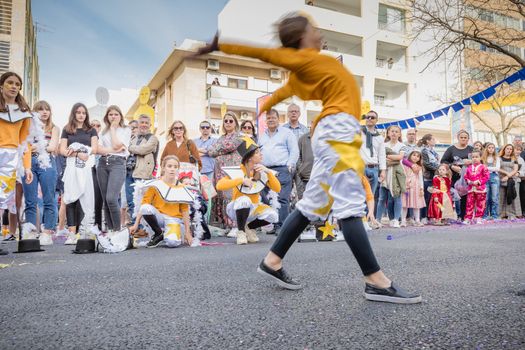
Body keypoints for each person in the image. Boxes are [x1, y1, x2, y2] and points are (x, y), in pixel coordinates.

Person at [195, 13, 421, 303]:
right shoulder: (306, 60)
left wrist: (268, 106)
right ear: (302, 38)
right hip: (337, 131)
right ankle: (375, 280)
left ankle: (272, 261)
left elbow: (285, 91)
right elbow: (264, 54)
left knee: (312, 204)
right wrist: (221, 46)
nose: (319, 32)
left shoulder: (312, 69)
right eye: (313, 29)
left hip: (335, 131)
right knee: (351, 202)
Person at [216, 136, 281, 244]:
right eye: (257, 152)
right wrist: (241, 180)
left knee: (273, 216)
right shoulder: (238, 170)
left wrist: (268, 172)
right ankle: (240, 232)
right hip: (237, 207)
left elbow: (277, 188)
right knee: (244, 199)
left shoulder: (261, 170)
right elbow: (219, 185)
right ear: (250, 158)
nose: (261, 154)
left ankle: (249, 227)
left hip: (255, 207)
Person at [0, 72, 38, 254]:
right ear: (1, 86)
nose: (14, 86)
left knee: (2, 200)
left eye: (17, 84)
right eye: (10, 83)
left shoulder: (24, 113)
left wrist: (27, 166)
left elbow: (25, 143)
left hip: (11, 158)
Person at [130, 155, 192, 248]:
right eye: (169, 166)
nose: (172, 169)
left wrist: (187, 232)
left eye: (175, 167)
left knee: (172, 243)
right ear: (163, 168)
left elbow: (185, 210)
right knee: (145, 208)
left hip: (173, 218)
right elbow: (144, 203)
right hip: (158, 216)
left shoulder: (181, 187)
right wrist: (136, 225)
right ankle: (158, 233)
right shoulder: (155, 184)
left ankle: (168, 234)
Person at [59, 103, 98, 244]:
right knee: (70, 199)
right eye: (78, 112)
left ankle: (85, 231)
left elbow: (94, 148)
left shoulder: (91, 130)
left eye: (84, 112)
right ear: (73, 114)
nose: (81, 115)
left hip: (87, 169)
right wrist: (76, 154)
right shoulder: (67, 130)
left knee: (86, 199)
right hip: (71, 169)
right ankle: (71, 234)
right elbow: (62, 150)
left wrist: (84, 153)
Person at [21, 101, 59, 245]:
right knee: (30, 200)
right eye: (40, 110)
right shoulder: (28, 126)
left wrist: (36, 146)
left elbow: (53, 146)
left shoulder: (54, 128)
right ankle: (31, 231)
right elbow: (23, 145)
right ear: (34, 112)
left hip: (47, 164)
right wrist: (36, 147)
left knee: (49, 199)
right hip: (28, 163)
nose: (44, 112)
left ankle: (47, 232)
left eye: (47, 109)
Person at [258, 108, 299, 234]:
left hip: (282, 169)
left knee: (282, 198)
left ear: (278, 119)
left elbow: (294, 150)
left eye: (273, 118)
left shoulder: (286, 133)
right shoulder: (262, 136)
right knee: (268, 198)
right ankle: (274, 225)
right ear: (266, 120)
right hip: (265, 170)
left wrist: (290, 166)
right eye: (268, 118)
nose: (271, 120)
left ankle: (283, 227)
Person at [96, 105, 131, 233]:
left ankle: (117, 231)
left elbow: (117, 144)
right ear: (107, 116)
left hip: (118, 164)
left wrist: (112, 129)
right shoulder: (101, 132)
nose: (113, 117)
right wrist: (113, 150)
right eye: (111, 114)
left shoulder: (126, 130)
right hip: (102, 164)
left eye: (116, 114)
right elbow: (98, 150)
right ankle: (110, 231)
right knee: (106, 200)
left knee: (111, 198)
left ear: (120, 116)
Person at [208, 111, 242, 232]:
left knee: (230, 197)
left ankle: (234, 225)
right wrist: (218, 149)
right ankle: (225, 224)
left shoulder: (239, 136)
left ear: (235, 123)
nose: (228, 123)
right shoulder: (221, 137)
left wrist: (217, 149)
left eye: (230, 121)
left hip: (232, 171)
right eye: (225, 121)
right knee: (221, 197)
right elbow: (211, 152)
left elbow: (230, 146)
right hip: (219, 171)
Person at [128, 115, 159, 219]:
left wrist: (130, 148)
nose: (144, 125)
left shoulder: (153, 138)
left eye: (146, 123)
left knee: (141, 202)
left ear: (150, 125)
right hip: (128, 172)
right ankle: (134, 225)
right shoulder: (133, 138)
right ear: (138, 124)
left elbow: (143, 150)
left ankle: (141, 228)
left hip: (142, 173)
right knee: (130, 201)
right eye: (142, 122)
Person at [375, 125, 406, 228]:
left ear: (399, 134)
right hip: (385, 172)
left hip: (396, 174)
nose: (394, 133)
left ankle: (396, 220)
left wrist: (386, 156)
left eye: (396, 131)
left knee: (397, 197)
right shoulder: (383, 145)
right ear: (388, 133)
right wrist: (392, 158)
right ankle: (377, 220)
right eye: (392, 131)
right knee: (382, 198)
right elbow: (380, 159)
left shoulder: (401, 145)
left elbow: (400, 157)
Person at [441, 130, 473, 220]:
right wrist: (451, 166)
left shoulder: (471, 149)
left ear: (468, 139)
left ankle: (463, 216)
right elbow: (443, 161)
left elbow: (479, 160)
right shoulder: (451, 149)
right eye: (461, 137)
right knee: (453, 196)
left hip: (467, 177)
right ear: (458, 138)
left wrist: (471, 161)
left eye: (465, 137)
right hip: (453, 176)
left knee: (465, 197)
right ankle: (449, 216)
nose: (463, 139)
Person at [360, 111, 386, 196]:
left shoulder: (380, 137)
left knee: (371, 196)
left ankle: (369, 210)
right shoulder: (359, 132)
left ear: (376, 120)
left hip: (374, 169)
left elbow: (382, 155)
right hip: (361, 168)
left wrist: (383, 171)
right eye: (368, 117)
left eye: (372, 117)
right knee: (360, 196)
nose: (370, 119)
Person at [463, 150, 489, 224]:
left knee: (480, 203)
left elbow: (486, 176)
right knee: (469, 203)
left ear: (480, 157)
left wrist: (479, 182)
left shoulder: (483, 167)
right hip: (471, 189)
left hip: (480, 189)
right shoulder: (469, 167)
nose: (474, 158)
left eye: (476, 157)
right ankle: (468, 218)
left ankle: (478, 217)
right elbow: (466, 176)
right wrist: (468, 181)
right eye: (473, 157)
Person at [401, 150, 425, 226]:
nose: (415, 157)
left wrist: (421, 188)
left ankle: (417, 220)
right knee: (404, 204)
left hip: (416, 187)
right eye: (414, 155)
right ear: (410, 155)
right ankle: (403, 220)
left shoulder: (419, 168)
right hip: (406, 186)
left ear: (419, 159)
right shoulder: (405, 165)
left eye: (418, 156)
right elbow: (402, 160)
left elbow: (420, 178)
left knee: (416, 204)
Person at [419, 134, 440, 222]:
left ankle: (429, 215)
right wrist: (439, 168)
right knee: (426, 197)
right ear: (428, 141)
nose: (435, 141)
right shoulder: (424, 151)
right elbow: (426, 164)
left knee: (432, 197)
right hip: (427, 177)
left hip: (433, 176)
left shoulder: (433, 151)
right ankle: (423, 216)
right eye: (433, 139)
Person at [498, 144, 520, 219]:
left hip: (511, 180)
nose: (509, 150)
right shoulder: (499, 158)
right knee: (501, 197)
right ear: (504, 149)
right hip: (501, 179)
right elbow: (498, 168)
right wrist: (505, 174)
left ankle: (512, 214)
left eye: (511, 149)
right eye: (508, 148)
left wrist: (507, 176)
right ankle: (501, 214)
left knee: (512, 196)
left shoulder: (514, 159)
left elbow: (515, 170)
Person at [481, 143, 500, 220]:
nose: (491, 149)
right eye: (489, 147)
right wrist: (491, 168)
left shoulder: (497, 158)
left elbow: (497, 169)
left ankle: (494, 215)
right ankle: (485, 215)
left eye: (493, 147)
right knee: (486, 197)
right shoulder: (483, 158)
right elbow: (482, 168)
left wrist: (487, 168)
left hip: (494, 177)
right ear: (486, 149)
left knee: (494, 197)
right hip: (485, 178)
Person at [296, 132, 313, 200]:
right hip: (306, 178)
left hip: (323, 178)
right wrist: (301, 169)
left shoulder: (327, 137)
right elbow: (297, 155)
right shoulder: (303, 138)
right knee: (305, 201)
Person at [515, 145, 525, 217]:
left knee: (517, 197)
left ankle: (519, 213)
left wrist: (518, 173)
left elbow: (523, 171)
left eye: (519, 150)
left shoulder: (521, 159)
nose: (518, 151)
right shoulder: (509, 157)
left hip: (517, 179)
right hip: (506, 178)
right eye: (516, 149)